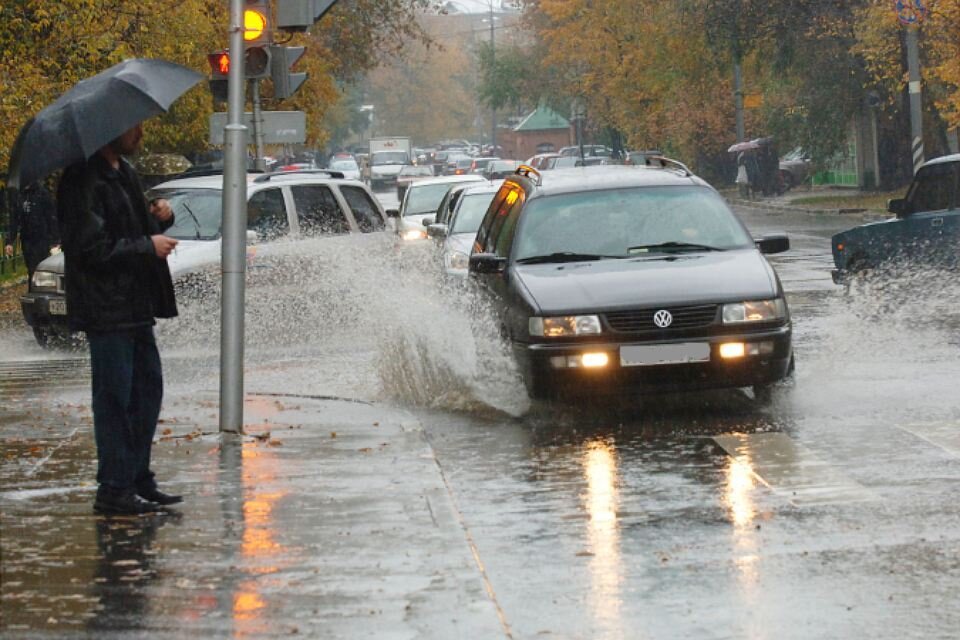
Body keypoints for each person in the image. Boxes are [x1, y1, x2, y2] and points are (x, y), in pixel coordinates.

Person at [58, 122, 182, 515]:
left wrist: (160, 218)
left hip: (136, 306)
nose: (140, 134)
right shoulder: (82, 179)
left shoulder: (124, 173)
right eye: (132, 128)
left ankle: (137, 477)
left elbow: (133, 227)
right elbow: (90, 248)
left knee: (147, 394)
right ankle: (113, 488)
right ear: (108, 130)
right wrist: (148, 245)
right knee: (115, 399)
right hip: (107, 309)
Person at [5, 181, 60, 278]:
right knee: (31, 268)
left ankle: (41, 288)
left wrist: (55, 240)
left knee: (42, 267)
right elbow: (14, 220)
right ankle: (32, 288)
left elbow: (51, 218)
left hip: (42, 237)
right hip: (26, 238)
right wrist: (9, 241)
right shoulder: (19, 196)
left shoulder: (42, 194)